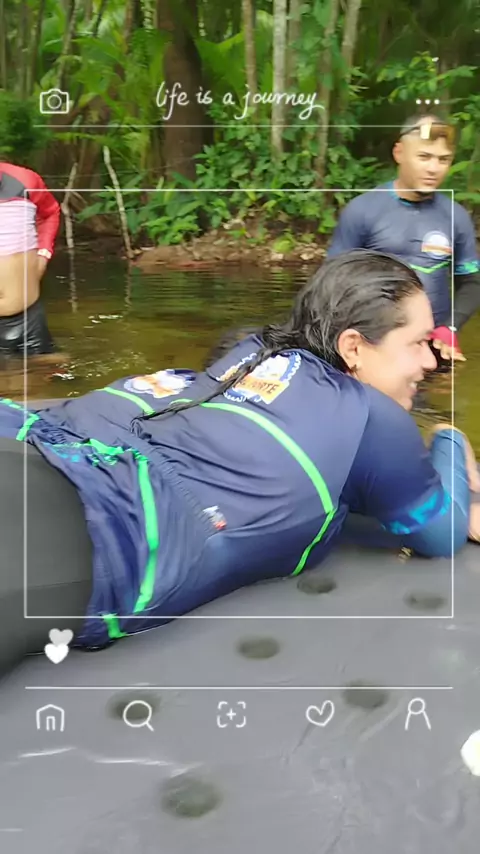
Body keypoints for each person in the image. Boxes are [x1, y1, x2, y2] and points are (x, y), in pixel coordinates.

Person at [0, 250, 479, 679]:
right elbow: (442, 533)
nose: (430, 362)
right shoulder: (373, 416)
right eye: (418, 342)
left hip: (41, 447)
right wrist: (450, 440)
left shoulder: (253, 353)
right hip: (98, 526)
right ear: (353, 346)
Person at [327, 115, 480, 363]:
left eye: (443, 159)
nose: (433, 168)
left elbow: (472, 284)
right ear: (399, 153)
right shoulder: (363, 210)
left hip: (434, 346)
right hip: (375, 347)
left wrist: (450, 327)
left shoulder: (456, 217)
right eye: (424, 157)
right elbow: (331, 284)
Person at [0, 160, 60, 356]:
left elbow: (50, 213)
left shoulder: (24, 180)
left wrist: (44, 253)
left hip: (28, 319)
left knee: (49, 369)